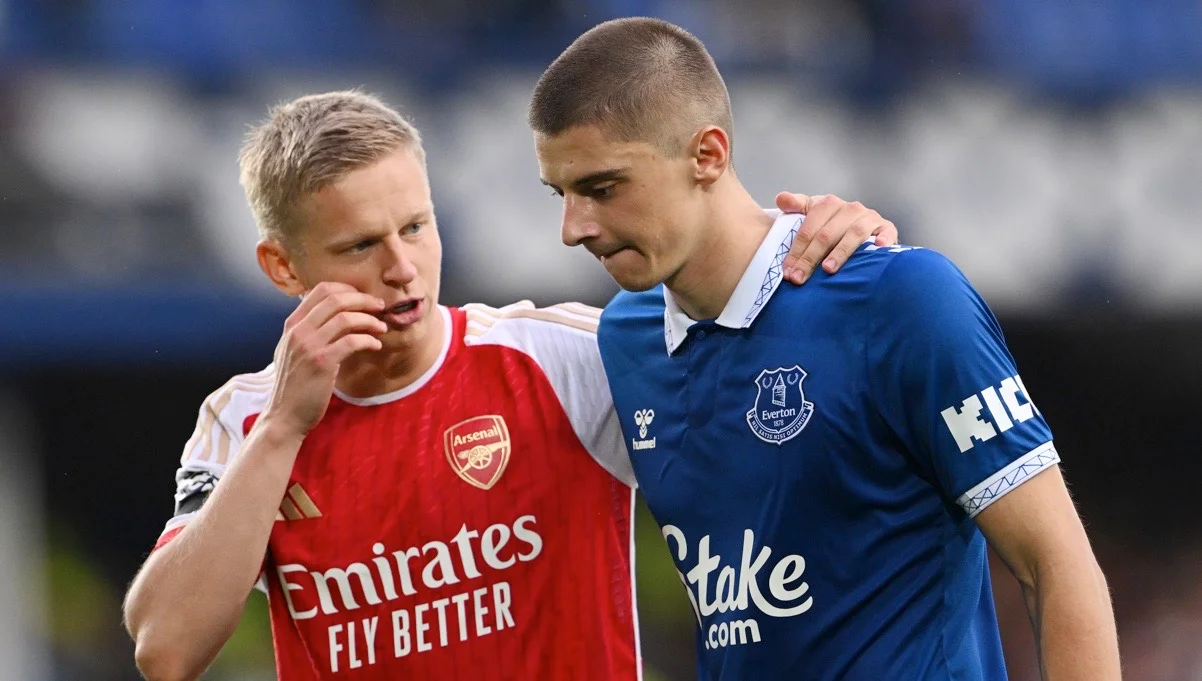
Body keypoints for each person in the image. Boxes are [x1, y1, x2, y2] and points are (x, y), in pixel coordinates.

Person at [121, 90, 899, 680]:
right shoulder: (245, 420)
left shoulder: (564, 358)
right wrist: (284, 430)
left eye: (416, 227)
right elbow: (165, 647)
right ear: (282, 267)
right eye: (360, 245)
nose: (401, 267)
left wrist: (836, 253)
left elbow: (785, 361)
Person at [530, 17, 1122, 681]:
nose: (573, 228)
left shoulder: (901, 300)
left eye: (602, 188)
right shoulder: (621, 340)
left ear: (708, 155)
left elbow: (1054, 562)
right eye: (561, 193)